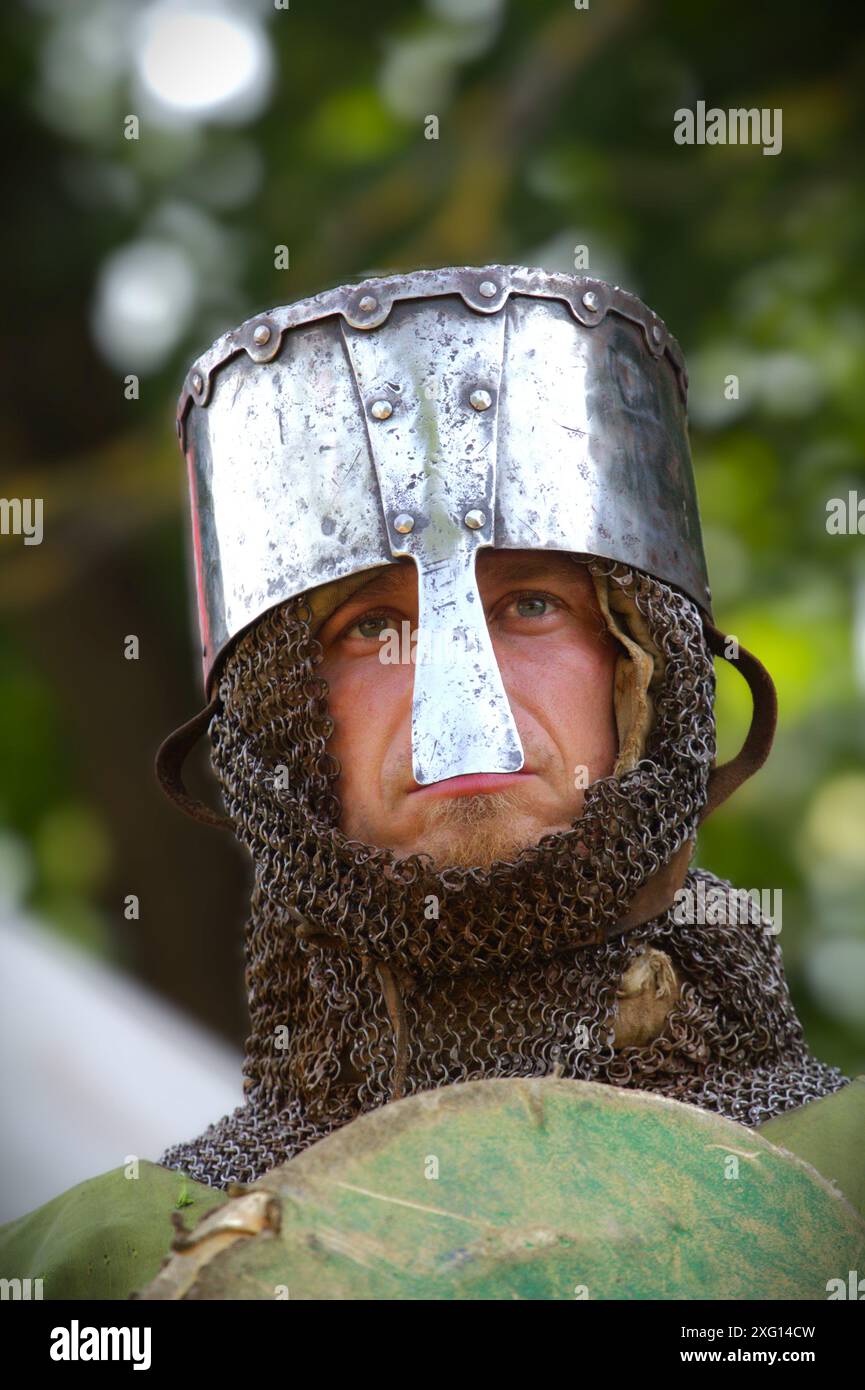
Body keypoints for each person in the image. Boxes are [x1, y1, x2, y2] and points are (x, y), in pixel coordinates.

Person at [1, 265, 859, 1301]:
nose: (466, 700)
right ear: (279, 729)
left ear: (643, 674)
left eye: (532, 604)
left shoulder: (845, 1174)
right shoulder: (103, 1262)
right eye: (371, 627)